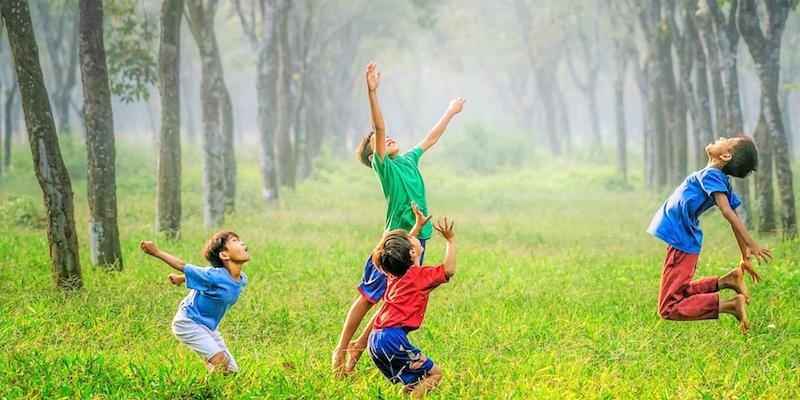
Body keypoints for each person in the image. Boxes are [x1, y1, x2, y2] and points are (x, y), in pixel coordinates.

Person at [332, 61, 465, 376]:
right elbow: (378, 127)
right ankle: (341, 350)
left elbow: (430, 138)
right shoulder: (385, 167)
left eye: (388, 137)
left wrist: (450, 112)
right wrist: (372, 91)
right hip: (394, 243)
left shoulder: (408, 159)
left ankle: (355, 355)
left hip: (417, 241)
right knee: (368, 297)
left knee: (391, 302)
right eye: (378, 140)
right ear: (372, 153)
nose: (387, 137)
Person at [647, 136, 772, 335]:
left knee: (668, 307)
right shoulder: (715, 177)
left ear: (725, 155)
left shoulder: (712, 175)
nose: (722, 137)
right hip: (682, 240)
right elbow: (734, 214)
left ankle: (730, 306)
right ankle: (727, 281)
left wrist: (751, 244)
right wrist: (744, 255)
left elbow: (728, 212)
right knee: (679, 292)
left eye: (728, 140)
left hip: (681, 242)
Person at [368, 215, 456, 398]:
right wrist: (450, 240)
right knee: (435, 374)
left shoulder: (394, 273)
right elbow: (448, 270)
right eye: (411, 237)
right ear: (412, 253)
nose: (413, 236)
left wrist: (416, 227)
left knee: (415, 381)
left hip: (375, 339)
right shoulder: (419, 276)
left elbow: (398, 251)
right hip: (392, 339)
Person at [139, 231, 249, 374]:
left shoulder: (242, 279)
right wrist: (156, 252)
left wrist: (180, 278)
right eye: (235, 241)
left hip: (208, 328)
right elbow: (182, 265)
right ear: (224, 255)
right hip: (188, 322)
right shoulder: (214, 275)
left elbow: (202, 276)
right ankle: (203, 391)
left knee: (231, 371)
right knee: (221, 363)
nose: (242, 243)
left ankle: (212, 372)